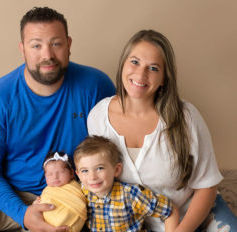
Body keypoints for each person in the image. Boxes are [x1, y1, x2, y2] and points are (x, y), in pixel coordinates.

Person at [0, 6, 115, 232]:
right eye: (36, 45)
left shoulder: (96, 86)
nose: (47, 55)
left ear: (69, 45)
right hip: (9, 195)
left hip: (73, 196)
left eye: (56, 44)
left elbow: (115, 150)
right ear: (23, 49)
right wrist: (23, 214)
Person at [87, 29, 237, 231]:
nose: (141, 74)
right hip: (133, 224)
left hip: (192, 216)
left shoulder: (186, 117)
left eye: (154, 68)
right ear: (123, 64)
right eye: (135, 62)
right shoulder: (98, 117)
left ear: (164, 79)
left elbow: (206, 186)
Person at [74, 135, 180, 232]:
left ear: (116, 170)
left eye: (100, 168)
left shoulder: (131, 195)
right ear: (78, 175)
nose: (92, 177)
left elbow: (169, 210)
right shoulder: (81, 192)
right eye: (85, 171)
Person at [34, 151, 87, 232]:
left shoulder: (77, 187)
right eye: (50, 174)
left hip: (71, 224)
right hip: (47, 224)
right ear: (45, 177)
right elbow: (41, 204)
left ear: (72, 173)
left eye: (61, 172)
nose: (55, 177)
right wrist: (36, 203)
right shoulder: (47, 190)